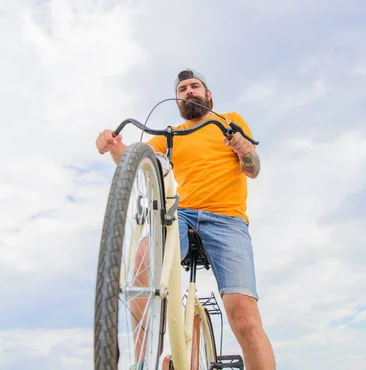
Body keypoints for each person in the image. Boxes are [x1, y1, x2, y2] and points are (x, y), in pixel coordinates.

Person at [95, 69, 276, 370]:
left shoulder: (228, 121)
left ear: (209, 96)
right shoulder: (171, 134)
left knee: (244, 316)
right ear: (178, 100)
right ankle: (142, 362)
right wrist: (113, 146)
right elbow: (135, 160)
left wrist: (244, 148)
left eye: (195, 86)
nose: (189, 91)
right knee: (142, 260)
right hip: (183, 215)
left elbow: (252, 168)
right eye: (183, 89)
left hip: (228, 220)